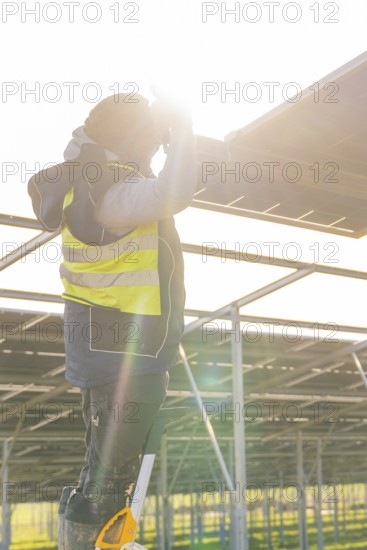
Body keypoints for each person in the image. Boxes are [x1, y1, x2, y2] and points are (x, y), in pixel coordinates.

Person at [28, 91, 197, 549]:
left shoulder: (97, 180)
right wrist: (183, 131)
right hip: (119, 349)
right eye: (154, 140)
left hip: (114, 346)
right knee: (109, 477)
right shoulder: (110, 189)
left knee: (105, 471)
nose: (158, 148)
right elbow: (173, 192)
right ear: (132, 137)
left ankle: (80, 541)